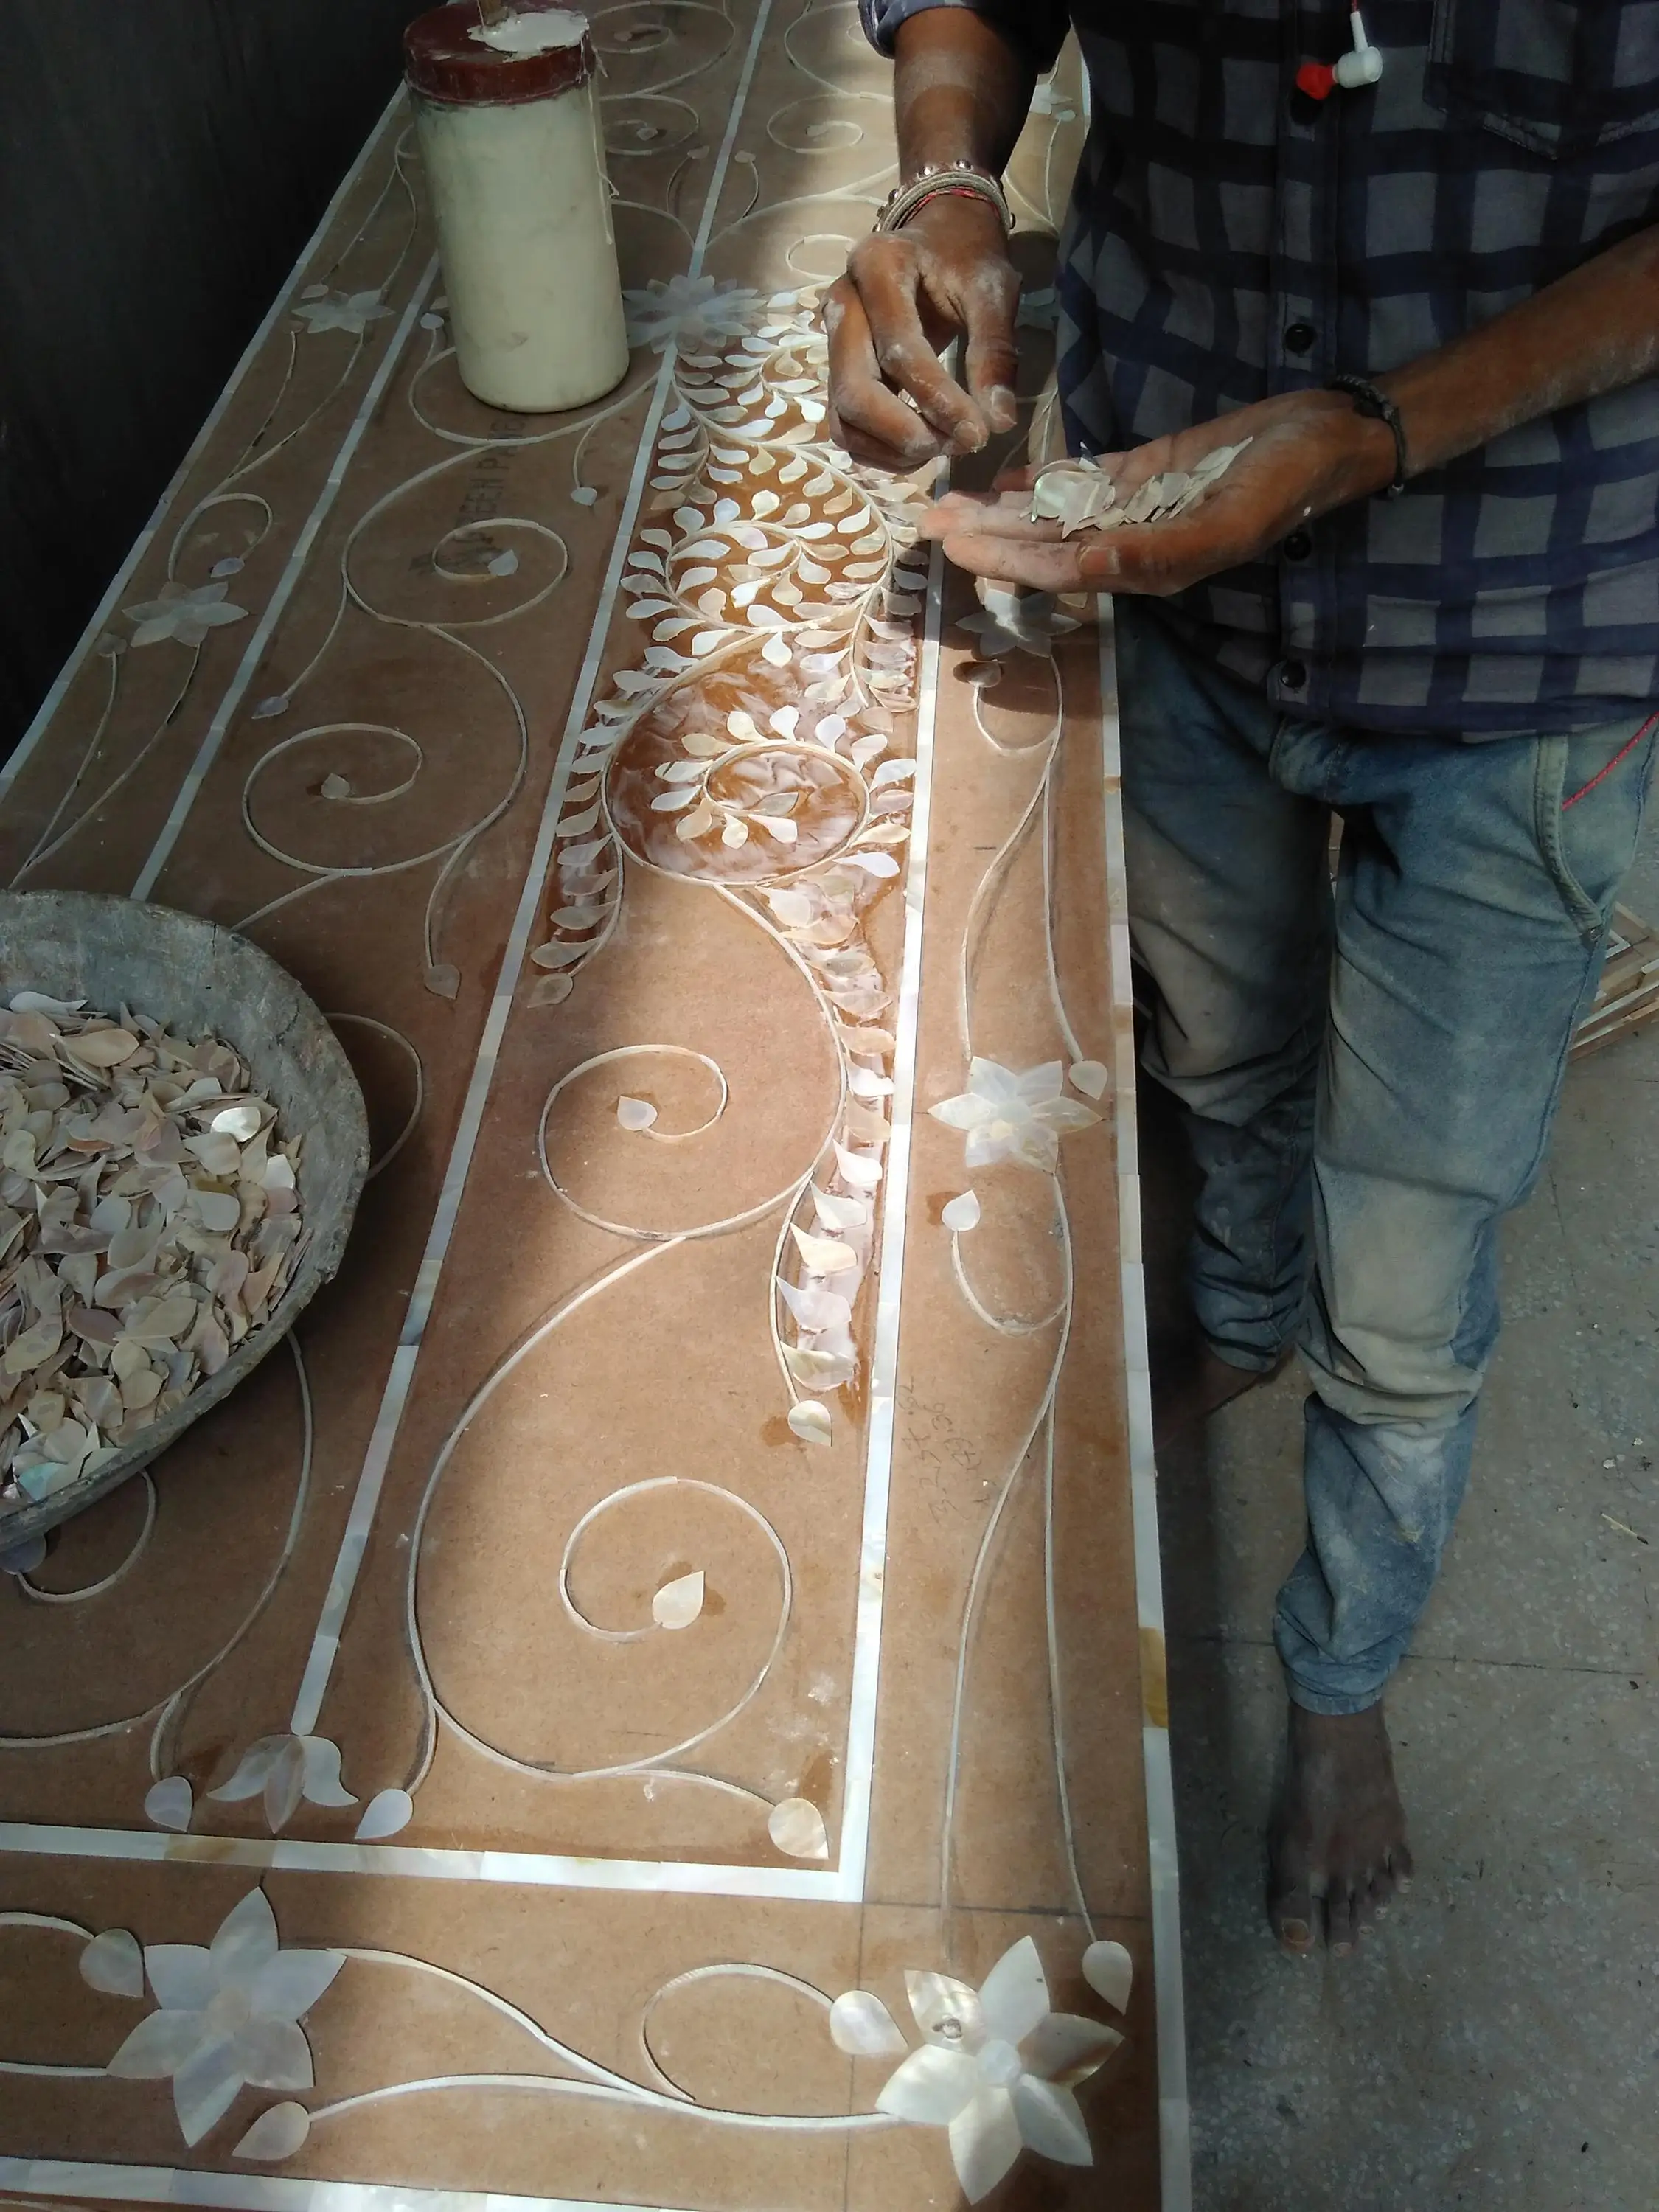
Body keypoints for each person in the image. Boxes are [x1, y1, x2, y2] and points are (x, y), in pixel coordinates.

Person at [827, 0, 1659, 1957]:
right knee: (1221, 1042)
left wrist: (1376, 429)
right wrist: (948, 164)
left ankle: (1344, 1679)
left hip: (1537, 613)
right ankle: (1228, 1307)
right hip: (1180, 544)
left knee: (1413, 1254)